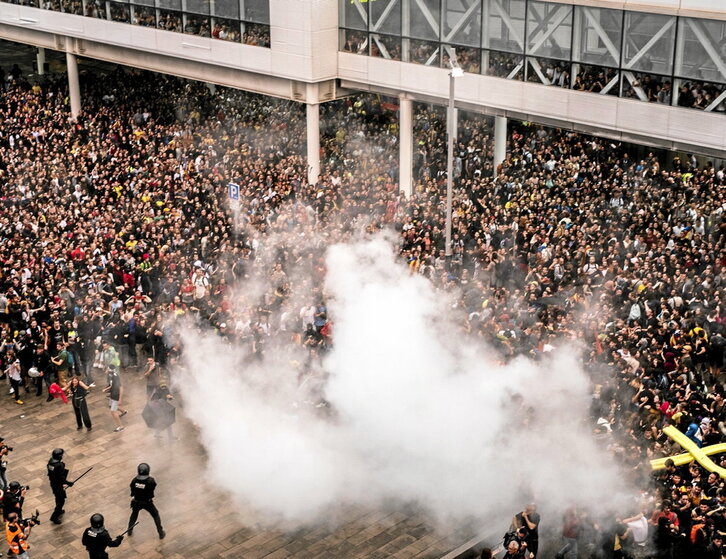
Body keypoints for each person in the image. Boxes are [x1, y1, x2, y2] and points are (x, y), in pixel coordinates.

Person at [127, 463, 165, 539]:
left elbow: (132, 491)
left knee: (134, 515)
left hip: (137, 501)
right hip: (147, 502)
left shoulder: (134, 480)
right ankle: (160, 533)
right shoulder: (150, 480)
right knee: (156, 515)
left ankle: (129, 531)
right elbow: (153, 488)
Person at [47, 448, 73, 524]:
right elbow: (61, 478)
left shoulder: (50, 462)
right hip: (58, 485)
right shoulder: (60, 465)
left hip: (53, 483)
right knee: (61, 501)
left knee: (58, 497)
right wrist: (68, 483)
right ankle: (54, 517)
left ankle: (59, 510)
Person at [102, 365, 127, 432]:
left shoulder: (115, 376)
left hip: (116, 396)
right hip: (112, 395)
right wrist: (106, 389)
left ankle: (121, 426)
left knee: (113, 412)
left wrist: (120, 399)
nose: (106, 369)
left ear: (110, 370)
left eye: (107, 368)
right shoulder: (109, 375)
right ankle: (123, 411)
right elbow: (111, 385)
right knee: (110, 406)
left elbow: (121, 388)